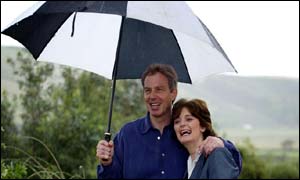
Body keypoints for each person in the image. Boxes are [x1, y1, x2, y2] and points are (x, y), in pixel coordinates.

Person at [96, 63, 242, 179]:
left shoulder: (185, 134)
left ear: (173, 93)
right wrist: (107, 163)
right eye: (147, 90)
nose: (152, 96)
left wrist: (222, 143)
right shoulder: (127, 134)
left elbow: (232, 164)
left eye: (159, 89)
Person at [172, 98, 239, 179]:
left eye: (189, 119)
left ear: (203, 126)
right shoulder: (188, 165)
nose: (182, 124)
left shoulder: (217, 154)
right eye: (177, 121)